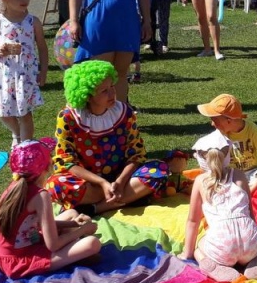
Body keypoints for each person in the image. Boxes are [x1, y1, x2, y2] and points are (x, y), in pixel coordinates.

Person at [46, 60, 170, 215]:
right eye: (104, 91)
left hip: (121, 179)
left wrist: (120, 181)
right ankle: (125, 198)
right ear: (87, 96)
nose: (112, 94)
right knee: (55, 184)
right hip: (89, 183)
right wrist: (102, 183)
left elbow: (137, 154)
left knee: (160, 169)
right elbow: (65, 162)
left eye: (112, 86)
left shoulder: (125, 113)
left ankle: (97, 207)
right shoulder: (68, 117)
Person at [0, 139, 101, 279]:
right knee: (92, 243)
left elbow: (33, 224)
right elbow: (53, 245)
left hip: (8, 254)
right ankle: (74, 253)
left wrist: (74, 224)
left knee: (72, 213)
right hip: (20, 262)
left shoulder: (14, 187)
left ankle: (73, 247)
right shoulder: (41, 196)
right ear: (47, 167)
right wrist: (83, 230)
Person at [179, 130, 257, 282]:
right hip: (250, 243)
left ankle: (212, 265)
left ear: (202, 158)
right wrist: (255, 239)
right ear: (228, 154)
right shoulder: (239, 175)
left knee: (199, 247)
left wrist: (188, 253)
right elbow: (250, 212)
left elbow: (193, 221)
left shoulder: (201, 181)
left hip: (222, 247)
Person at [0, 0, 47, 148]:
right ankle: (17, 133)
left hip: (26, 73)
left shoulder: (33, 22)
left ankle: (25, 146)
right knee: (3, 111)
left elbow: (42, 47)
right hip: (5, 72)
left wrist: (43, 71)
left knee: (25, 112)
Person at [197, 93, 257, 193]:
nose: (212, 124)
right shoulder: (219, 133)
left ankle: (245, 187)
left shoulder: (252, 130)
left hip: (253, 174)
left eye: (214, 120)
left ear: (229, 121)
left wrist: (252, 189)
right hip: (231, 175)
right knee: (206, 177)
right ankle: (242, 187)